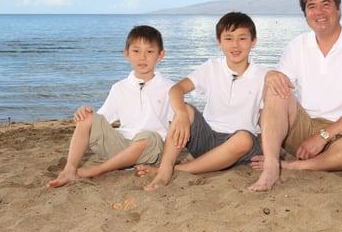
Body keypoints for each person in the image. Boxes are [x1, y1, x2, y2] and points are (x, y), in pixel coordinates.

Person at [249, 0, 342, 192]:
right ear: (305, 14)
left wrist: (323, 136)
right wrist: (270, 75)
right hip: (303, 129)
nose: (319, 12)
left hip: (341, 133)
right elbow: (277, 99)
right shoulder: (297, 46)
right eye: (311, 6)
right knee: (276, 85)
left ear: (338, 8)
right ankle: (272, 167)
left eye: (325, 4)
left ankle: (293, 166)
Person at [138, 12, 267, 191]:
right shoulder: (211, 67)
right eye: (228, 38)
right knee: (187, 109)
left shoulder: (263, 76)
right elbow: (176, 89)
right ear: (219, 42)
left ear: (253, 41)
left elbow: (269, 116)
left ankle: (177, 169)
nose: (235, 45)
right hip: (207, 138)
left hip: (240, 149)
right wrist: (182, 114)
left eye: (242, 38)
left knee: (244, 138)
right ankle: (165, 170)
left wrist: (271, 154)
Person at [47, 25, 174, 188]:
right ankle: (70, 169)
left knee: (149, 136)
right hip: (120, 146)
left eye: (149, 52)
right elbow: (102, 119)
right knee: (87, 117)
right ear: (126, 54)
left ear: (160, 55)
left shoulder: (169, 88)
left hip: (150, 149)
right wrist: (85, 113)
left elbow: (176, 125)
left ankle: (98, 170)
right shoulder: (119, 87)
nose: (142, 57)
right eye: (136, 51)